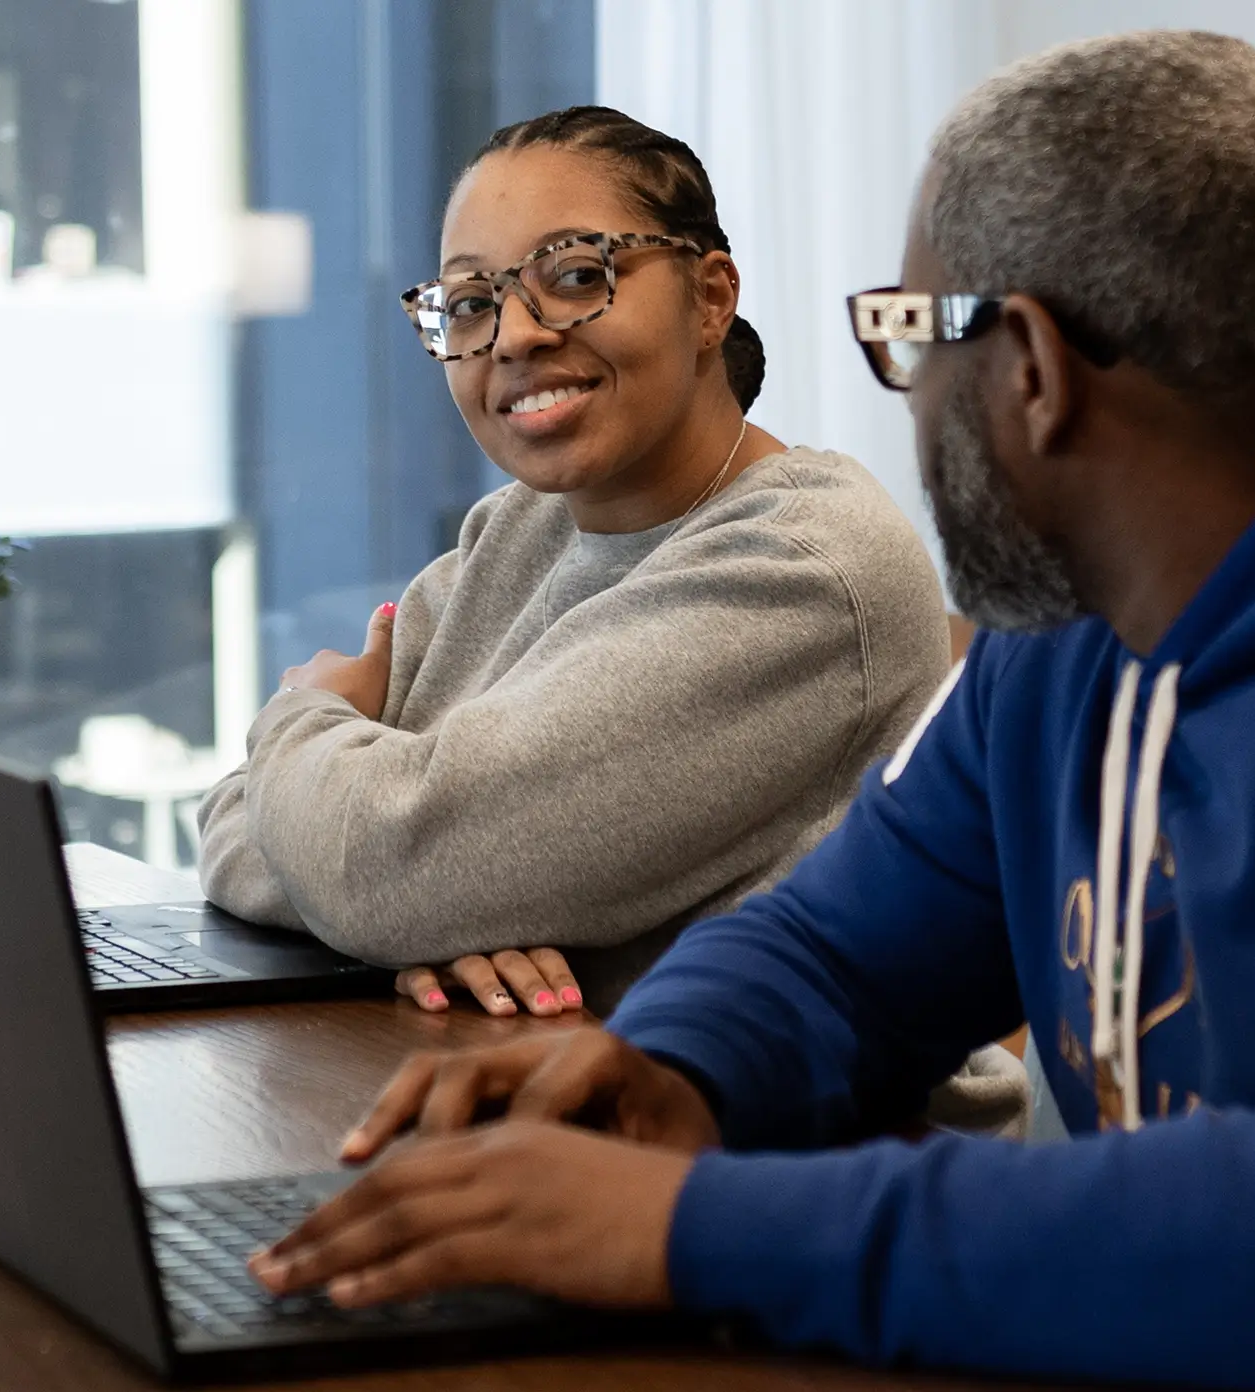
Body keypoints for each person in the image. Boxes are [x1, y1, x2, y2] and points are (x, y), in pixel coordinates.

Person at [247, 33, 1255, 1392]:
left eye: (908, 338)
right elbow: (838, 955)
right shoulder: (1066, 639)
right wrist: (659, 1074)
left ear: (1027, 369)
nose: (903, 411)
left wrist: (690, 1230)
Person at [198, 107, 955, 1019]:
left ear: (710, 298)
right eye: (472, 303)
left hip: (801, 1143)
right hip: (546, 1089)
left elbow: (383, 864)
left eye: (574, 276)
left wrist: (301, 716)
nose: (514, 336)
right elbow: (241, 826)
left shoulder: (804, 569)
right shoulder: (518, 531)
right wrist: (404, 909)